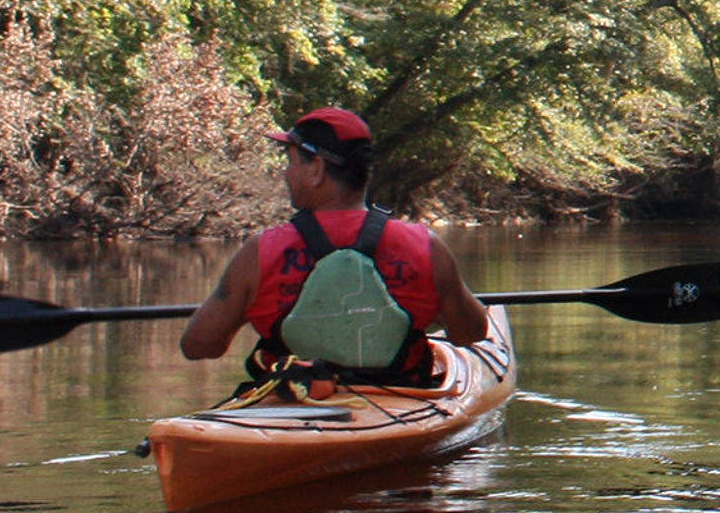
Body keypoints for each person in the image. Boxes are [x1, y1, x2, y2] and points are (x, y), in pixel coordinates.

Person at [178, 108, 492, 398]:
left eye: (291, 161)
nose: (286, 174)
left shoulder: (259, 252)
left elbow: (199, 345)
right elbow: (471, 333)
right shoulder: (425, 246)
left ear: (316, 169)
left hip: (294, 404)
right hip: (400, 400)